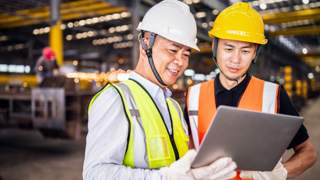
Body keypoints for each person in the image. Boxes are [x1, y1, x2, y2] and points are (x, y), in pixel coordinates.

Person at [83, 0, 237, 180]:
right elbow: (95, 174)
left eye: (186, 54)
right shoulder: (116, 99)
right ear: (145, 47)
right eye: (173, 50)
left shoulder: (173, 107)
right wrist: (164, 177)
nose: (180, 62)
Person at [185, 2, 317, 180]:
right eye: (229, 48)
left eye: (245, 51)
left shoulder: (274, 95)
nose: (236, 59)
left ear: (255, 53)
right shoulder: (193, 96)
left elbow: (308, 153)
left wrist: (282, 172)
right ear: (215, 46)